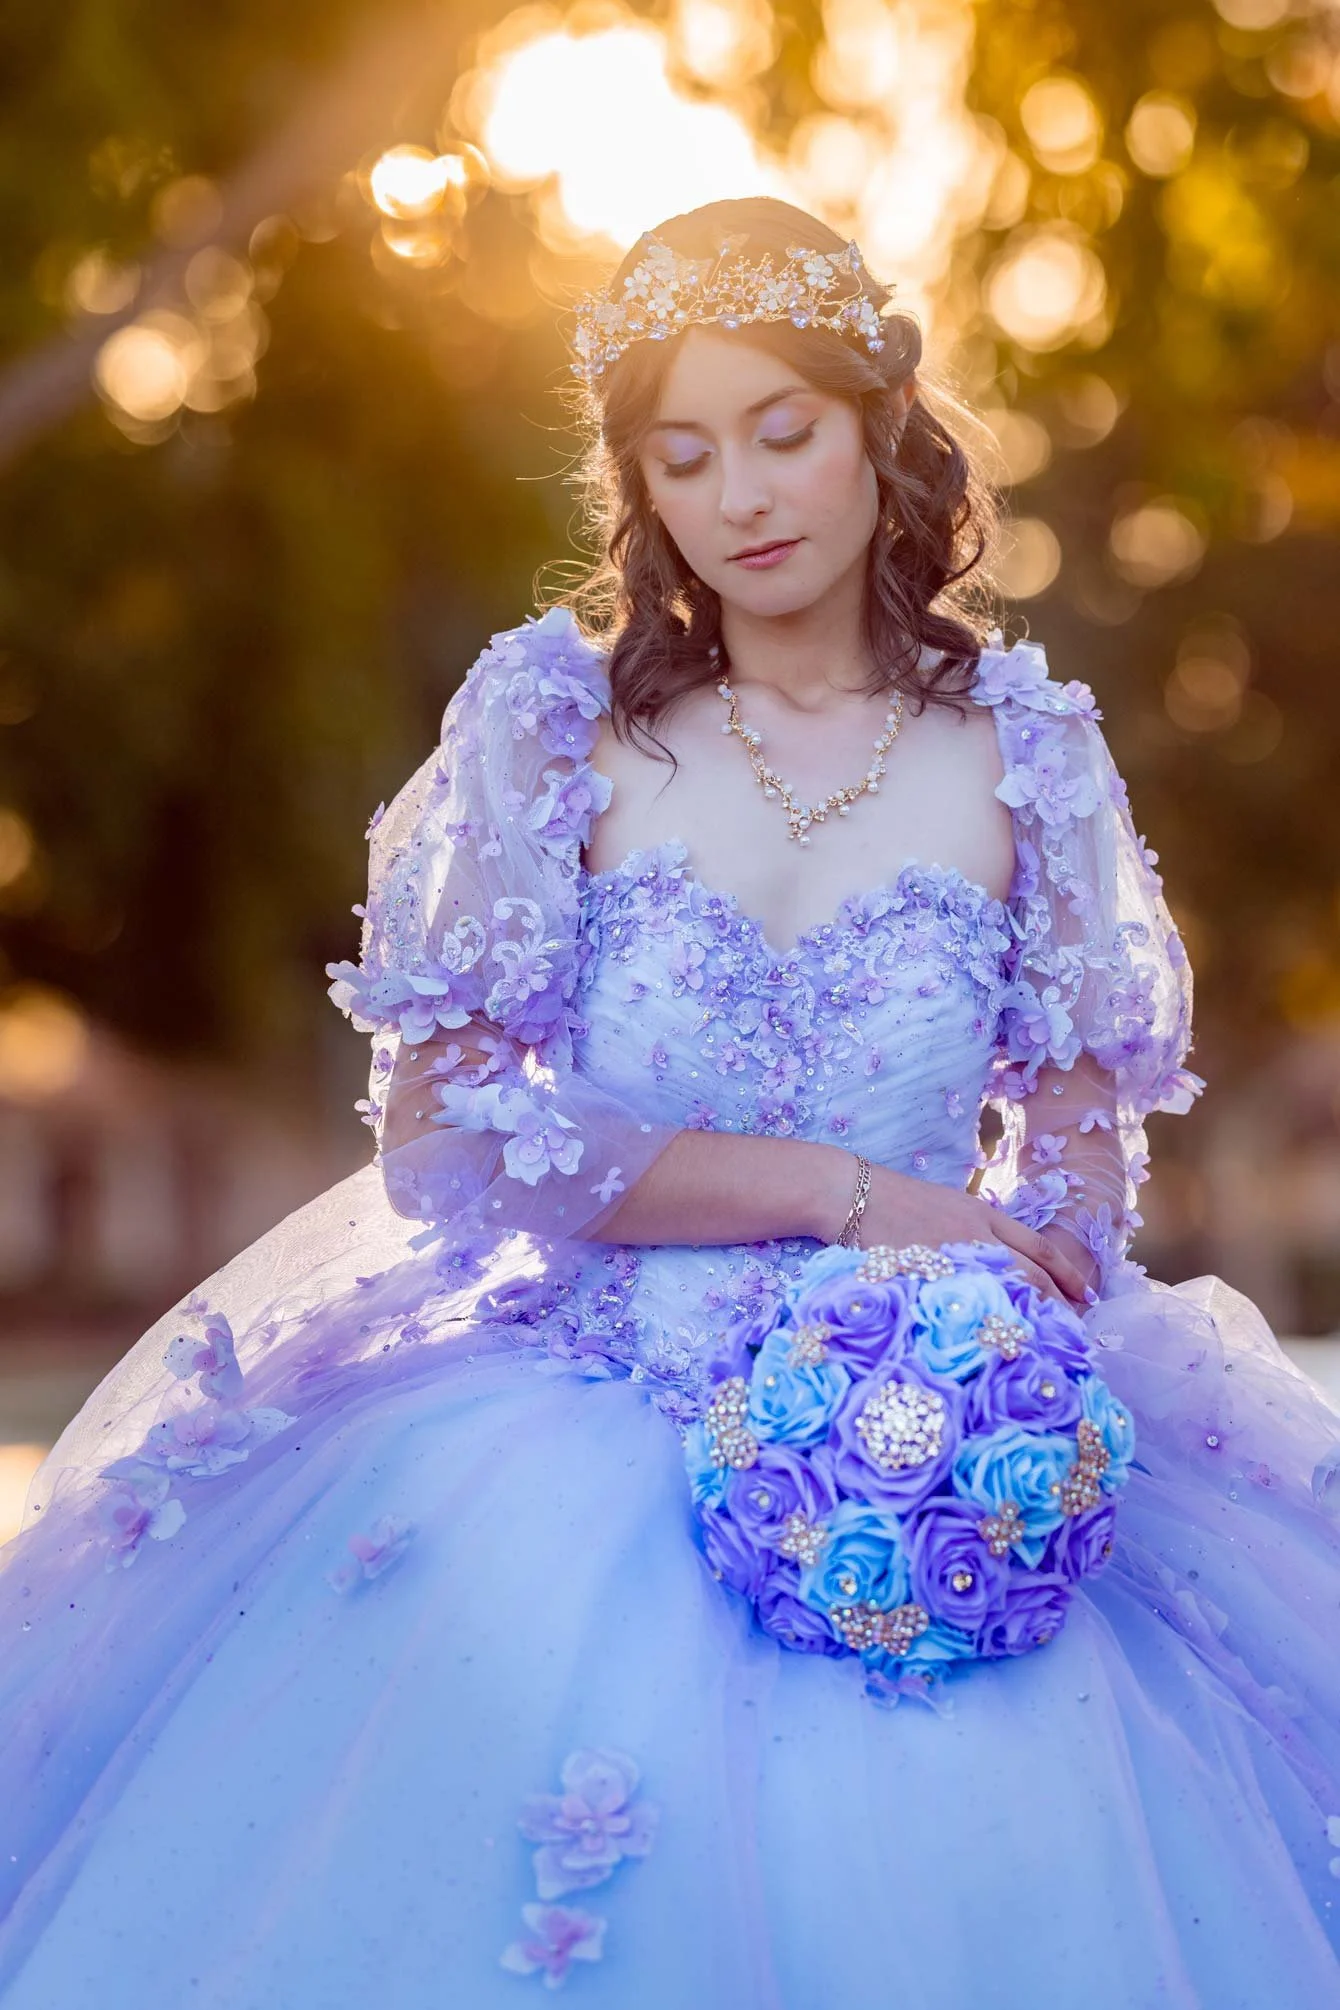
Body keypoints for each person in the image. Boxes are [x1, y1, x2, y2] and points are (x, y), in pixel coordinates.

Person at [1, 196, 1337, 2009]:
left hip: (937, 1426)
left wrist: (983, 1347)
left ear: (881, 422)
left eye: (782, 432)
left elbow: (1084, 1149)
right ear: (637, 483)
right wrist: (849, 1198)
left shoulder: (1029, 749)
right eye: (683, 456)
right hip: (576, 1418)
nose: (742, 497)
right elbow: (454, 1132)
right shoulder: (554, 726)